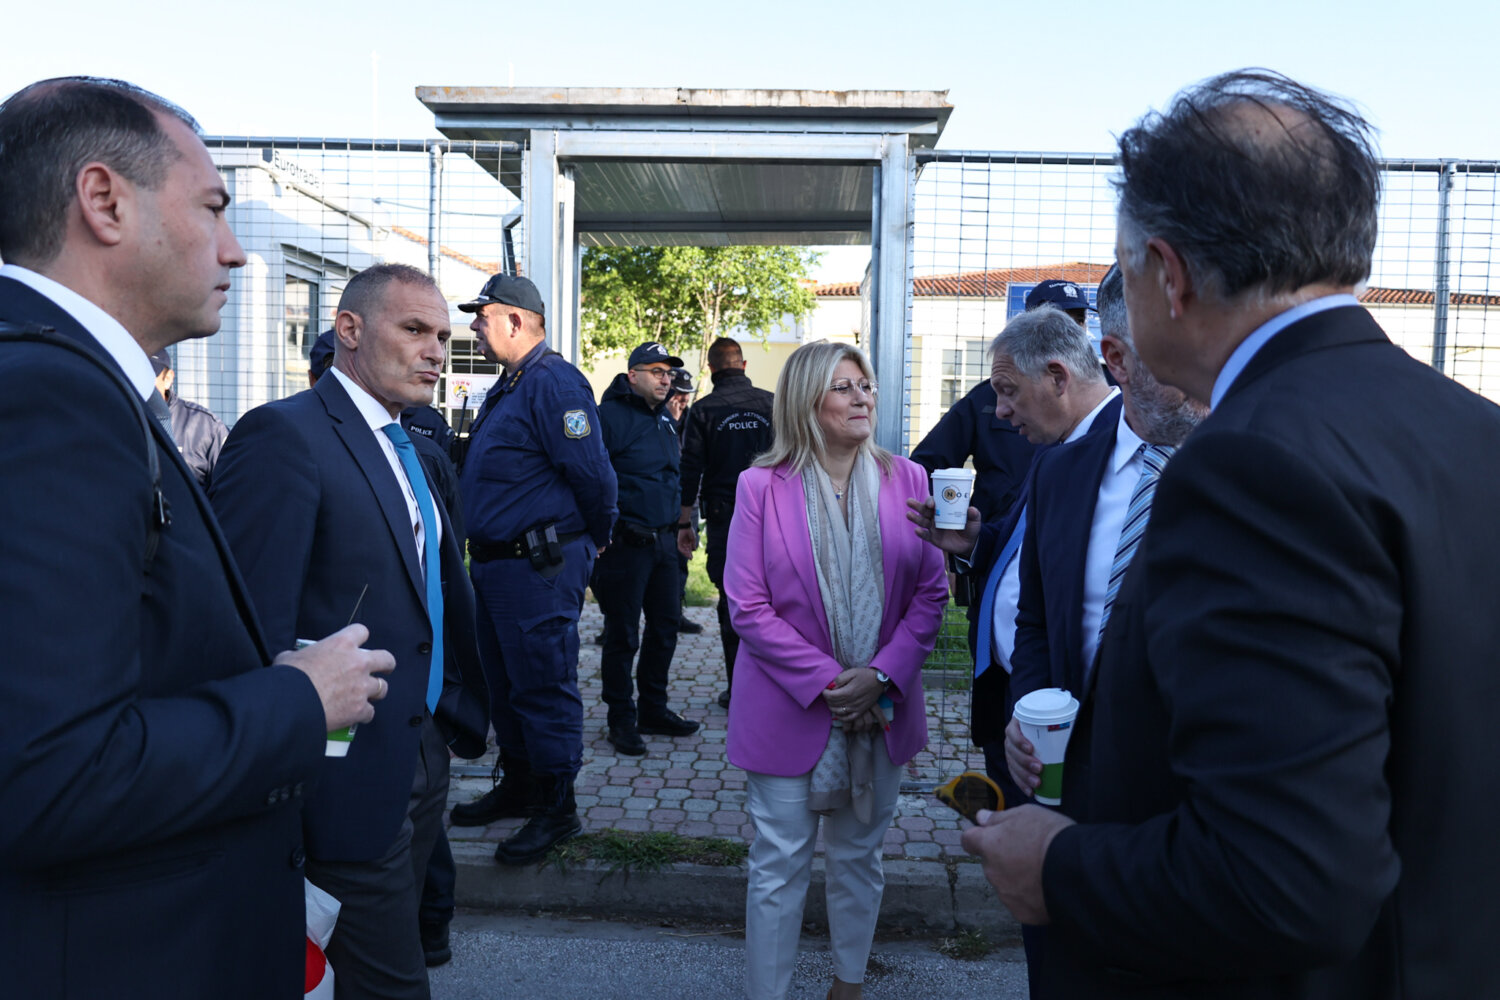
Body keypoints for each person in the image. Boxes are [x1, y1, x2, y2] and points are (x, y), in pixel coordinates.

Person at [962, 70, 1500, 998]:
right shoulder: (1472, 428)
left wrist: (1057, 867)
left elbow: (1283, 879)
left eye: (1125, 267)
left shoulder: (1250, 464)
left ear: (1167, 275)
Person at [0, 76, 392, 1000]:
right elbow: (53, 773)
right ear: (104, 201)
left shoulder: (72, 382)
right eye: (213, 208)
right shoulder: (51, 397)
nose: (236, 251)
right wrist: (298, 699)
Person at [210, 262, 489, 1000]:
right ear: (350, 330)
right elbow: (247, 629)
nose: (435, 351)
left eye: (443, 337)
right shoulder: (284, 435)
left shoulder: (410, 444)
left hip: (419, 749)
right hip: (340, 774)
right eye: (415, 329)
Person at [726, 339, 948, 1000]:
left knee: (858, 858)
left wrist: (880, 675)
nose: (863, 397)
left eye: (866, 385)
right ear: (806, 401)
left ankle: (848, 986)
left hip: (883, 706)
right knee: (778, 866)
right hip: (787, 710)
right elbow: (747, 605)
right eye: (844, 387)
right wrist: (832, 682)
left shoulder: (910, 480)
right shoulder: (761, 486)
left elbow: (931, 593)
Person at [448, 273, 618, 865]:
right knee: (504, 684)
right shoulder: (511, 384)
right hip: (497, 566)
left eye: (482, 316)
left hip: (537, 566)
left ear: (516, 320)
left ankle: (556, 807)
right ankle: (520, 785)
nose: (474, 326)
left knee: (543, 685)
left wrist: (596, 538)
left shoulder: (553, 382)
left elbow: (594, 476)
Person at [595, 341, 702, 755]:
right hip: (626, 545)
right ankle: (621, 719)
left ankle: (652, 709)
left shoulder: (665, 418)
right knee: (622, 635)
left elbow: (671, 478)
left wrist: (682, 526)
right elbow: (591, 478)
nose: (666, 379)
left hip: (664, 543)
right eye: (657, 372)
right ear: (632, 375)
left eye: (669, 373)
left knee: (665, 628)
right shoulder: (607, 417)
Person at [677, 336, 776, 708]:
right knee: (776, 599)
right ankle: (775, 687)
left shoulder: (703, 410)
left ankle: (739, 690)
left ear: (711, 369)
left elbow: (690, 470)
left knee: (732, 601)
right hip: (773, 516)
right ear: (744, 365)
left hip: (726, 518)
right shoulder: (772, 404)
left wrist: (684, 524)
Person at [148, 347, 228, 485]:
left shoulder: (206, 427)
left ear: (168, 379)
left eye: (149, 377)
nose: (140, 383)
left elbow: (228, 486)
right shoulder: (118, 419)